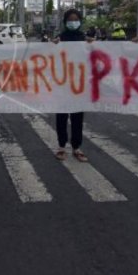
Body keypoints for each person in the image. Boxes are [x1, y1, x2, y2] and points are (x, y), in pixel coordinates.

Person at [52, 9, 90, 162]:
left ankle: (76, 147)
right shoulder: (60, 39)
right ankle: (61, 146)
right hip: (62, 84)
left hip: (79, 85)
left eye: (76, 19)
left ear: (80, 21)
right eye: (70, 19)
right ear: (65, 22)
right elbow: (49, 56)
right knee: (61, 116)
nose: (73, 22)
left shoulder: (85, 39)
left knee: (77, 117)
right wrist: (52, 45)